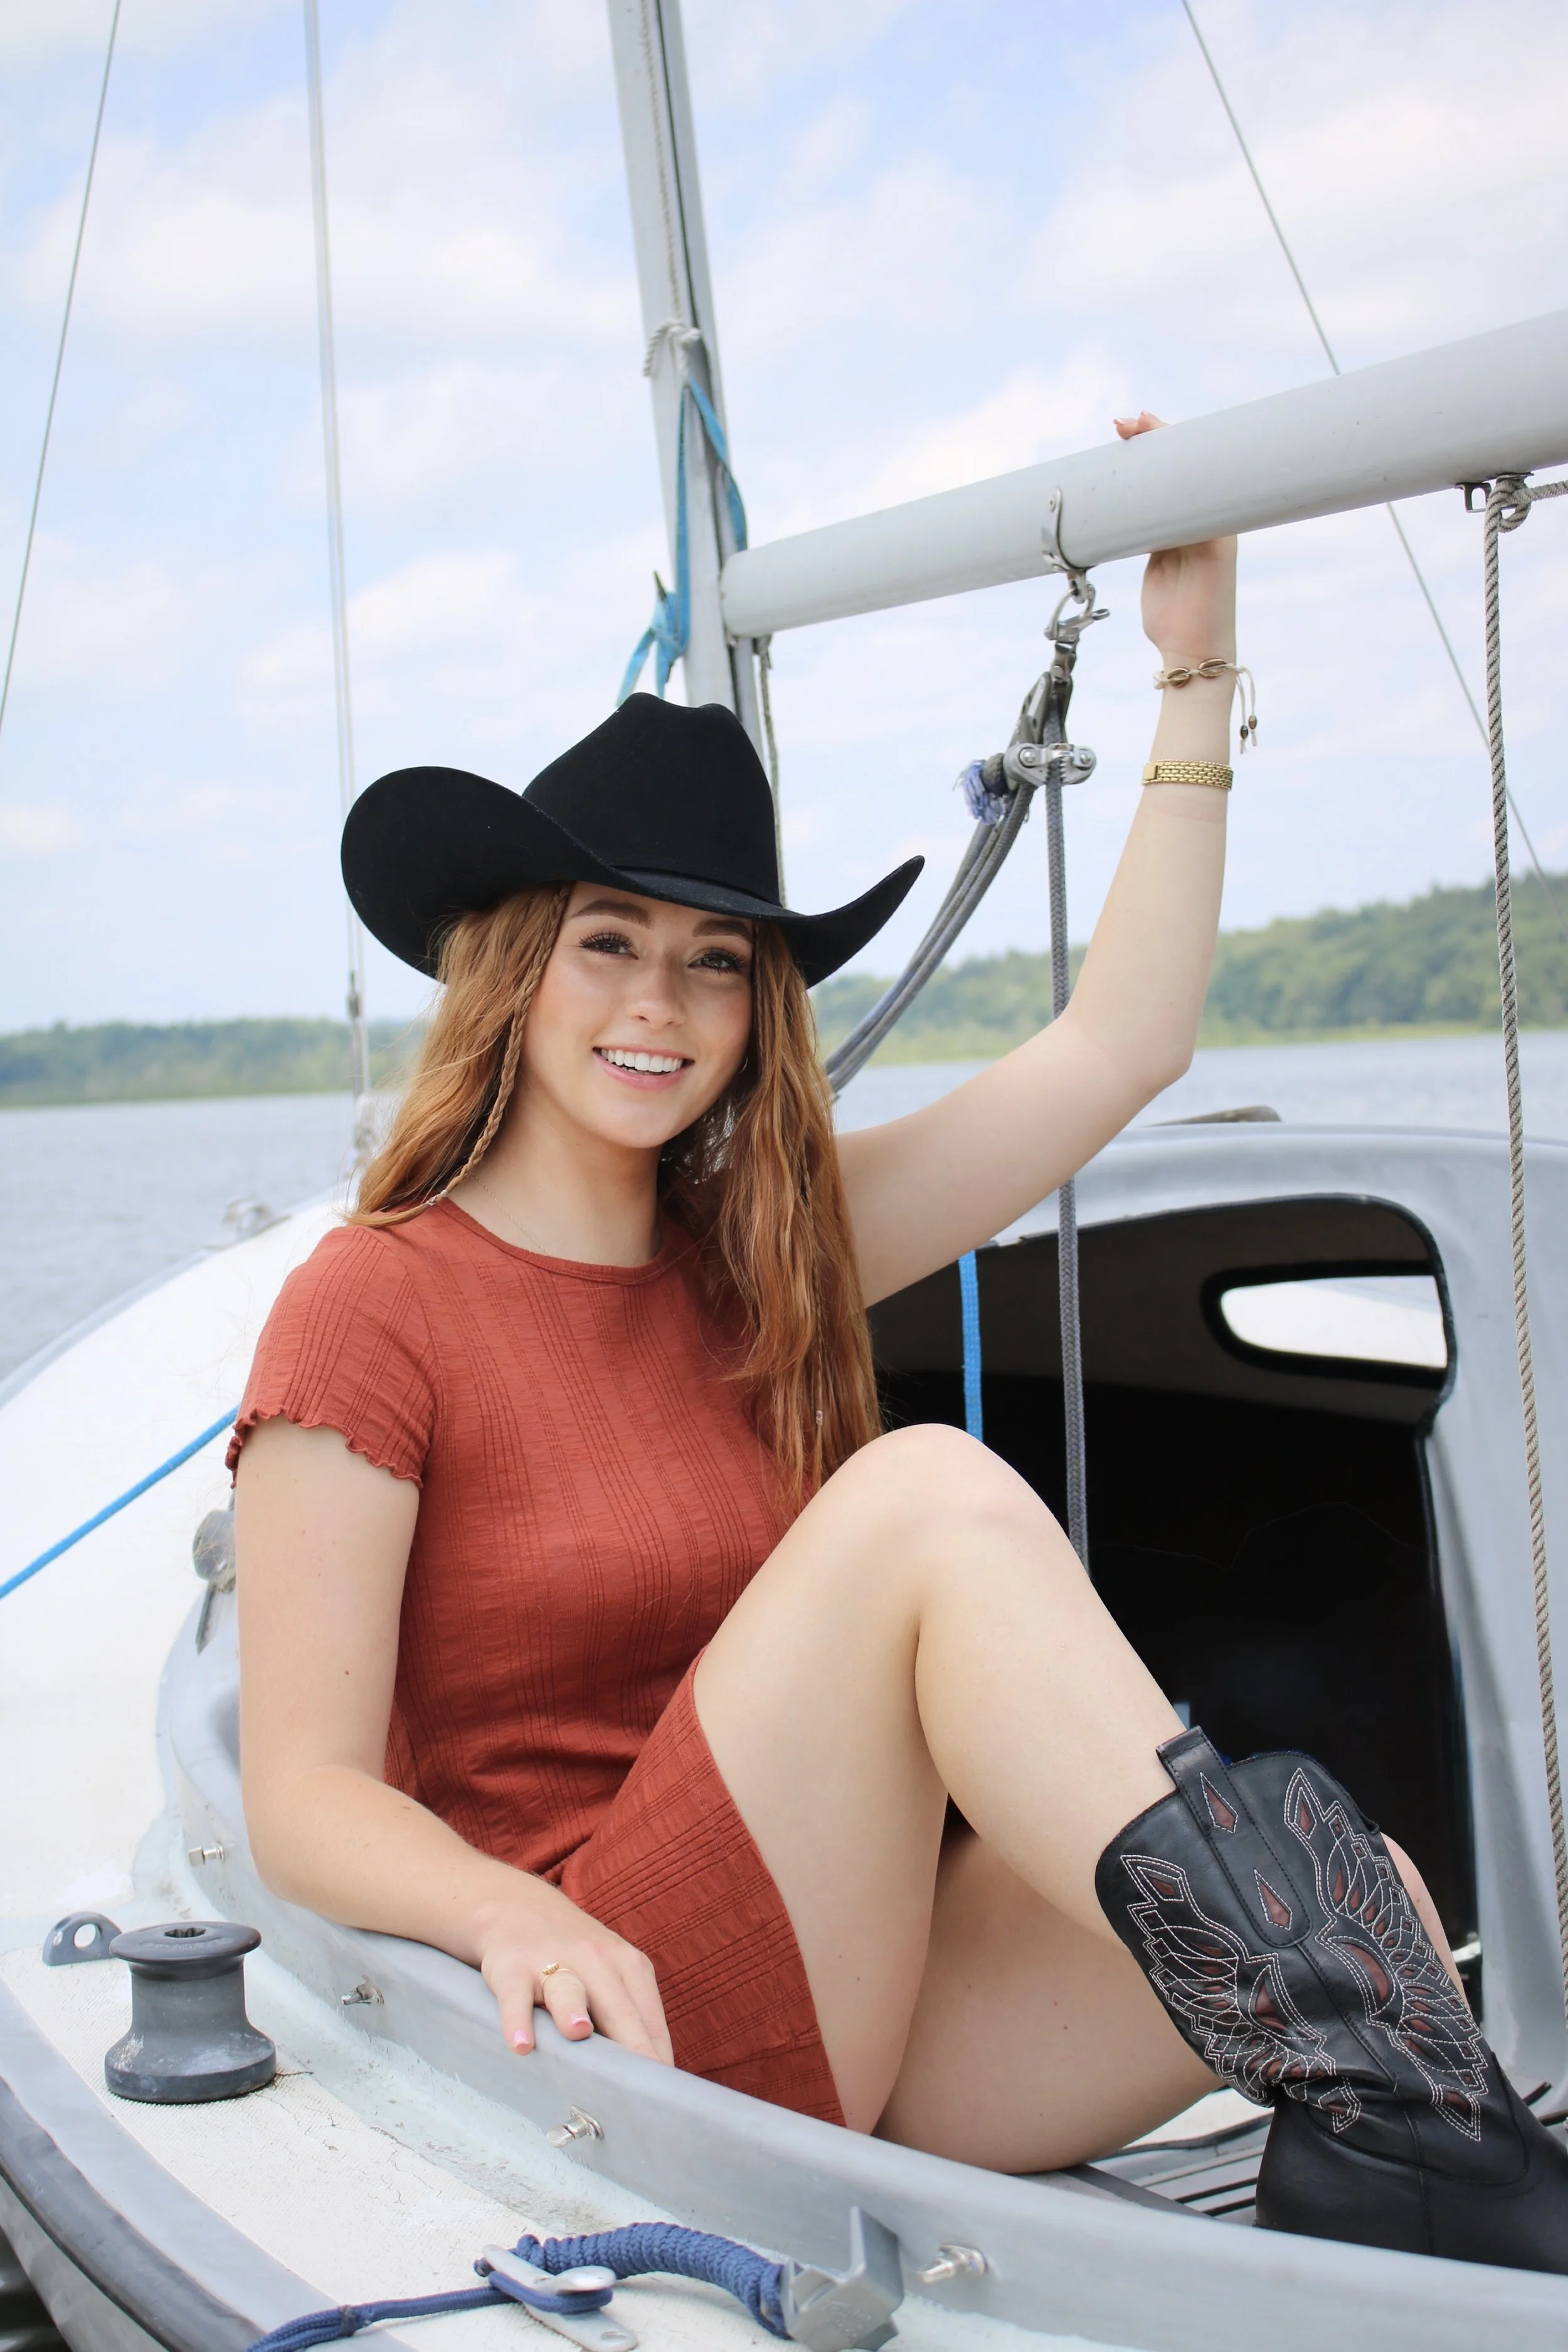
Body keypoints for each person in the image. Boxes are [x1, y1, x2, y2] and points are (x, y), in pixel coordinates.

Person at [233, 418, 1568, 2273]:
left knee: (1383, 1924)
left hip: (865, 1989)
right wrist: (489, 1914)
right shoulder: (369, 1301)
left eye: (718, 961)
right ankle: (1427, 2160)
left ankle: (1415, 2169)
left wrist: (1193, 662)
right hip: (617, 2007)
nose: (662, 1003)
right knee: (922, 1492)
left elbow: (1119, 1048)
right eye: (609, 942)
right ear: (512, 966)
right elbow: (297, 1788)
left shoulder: (769, 1245)